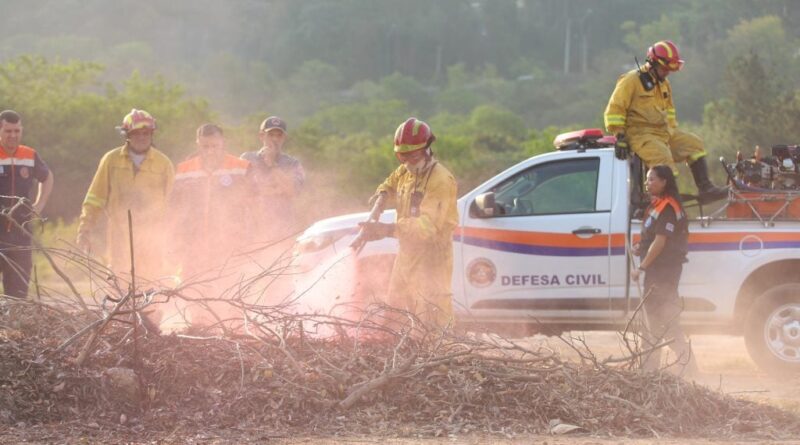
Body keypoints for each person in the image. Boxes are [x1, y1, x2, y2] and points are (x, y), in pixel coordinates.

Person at [358, 118, 458, 329]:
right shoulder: (406, 171)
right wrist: (382, 193)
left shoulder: (440, 180)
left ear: (426, 149)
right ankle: (401, 355)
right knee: (397, 310)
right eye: (402, 156)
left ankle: (440, 357)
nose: (408, 161)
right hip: (407, 253)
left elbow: (427, 228)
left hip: (432, 258)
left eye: (413, 155)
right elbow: (391, 182)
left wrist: (387, 230)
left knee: (430, 314)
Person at [604, 40, 726, 203]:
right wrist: (619, 136)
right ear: (652, 63)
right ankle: (670, 201)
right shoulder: (631, 81)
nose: (667, 72)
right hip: (639, 136)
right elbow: (614, 110)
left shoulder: (664, 84)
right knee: (663, 157)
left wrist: (671, 133)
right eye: (665, 68)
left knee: (693, 144)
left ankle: (706, 188)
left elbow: (669, 113)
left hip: (663, 134)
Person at [77, 109, 175, 281]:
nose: (142, 137)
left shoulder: (163, 164)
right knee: (119, 286)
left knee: (150, 288)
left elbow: (174, 204)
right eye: (136, 133)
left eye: (146, 133)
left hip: (152, 239)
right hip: (119, 237)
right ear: (127, 135)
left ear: (152, 135)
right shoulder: (111, 160)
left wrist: (173, 237)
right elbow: (95, 198)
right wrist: (85, 229)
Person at [631, 165, 698, 376]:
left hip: (664, 273)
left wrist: (641, 267)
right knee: (654, 320)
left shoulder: (668, 207)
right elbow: (653, 238)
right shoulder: (657, 205)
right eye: (647, 179)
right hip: (657, 273)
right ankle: (650, 368)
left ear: (664, 182)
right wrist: (640, 247)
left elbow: (660, 243)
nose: (647, 183)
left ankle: (685, 368)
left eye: (651, 179)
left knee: (663, 321)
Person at [168, 123, 252, 287]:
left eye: (215, 146)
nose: (210, 151)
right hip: (193, 243)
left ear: (223, 143)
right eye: (205, 146)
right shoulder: (184, 170)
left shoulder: (241, 168)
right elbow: (174, 208)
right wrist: (174, 238)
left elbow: (256, 205)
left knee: (230, 291)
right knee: (193, 290)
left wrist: (250, 237)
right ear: (198, 144)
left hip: (230, 243)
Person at [0, 110, 54, 298]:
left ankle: (13, 326)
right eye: (8, 131)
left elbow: (47, 177)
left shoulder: (29, 155)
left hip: (20, 232)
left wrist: (39, 206)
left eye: (17, 131)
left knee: (18, 291)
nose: (13, 135)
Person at [240, 116, 305, 241]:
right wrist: (277, 190)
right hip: (253, 229)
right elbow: (242, 191)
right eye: (270, 135)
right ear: (261, 136)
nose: (275, 139)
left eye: (279, 135)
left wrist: (272, 165)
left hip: (283, 228)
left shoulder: (292, 163)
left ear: (284, 138)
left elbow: (293, 191)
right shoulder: (247, 159)